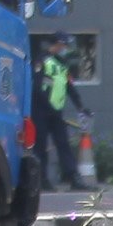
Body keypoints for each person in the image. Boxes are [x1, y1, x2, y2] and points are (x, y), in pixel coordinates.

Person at [36, 44, 80, 190]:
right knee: (40, 148)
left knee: (63, 144)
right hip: (41, 111)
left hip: (56, 112)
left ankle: (73, 178)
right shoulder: (44, 61)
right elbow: (37, 87)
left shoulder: (62, 65)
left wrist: (81, 107)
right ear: (55, 44)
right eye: (63, 45)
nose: (64, 48)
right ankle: (42, 180)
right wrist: (48, 107)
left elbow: (69, 87)